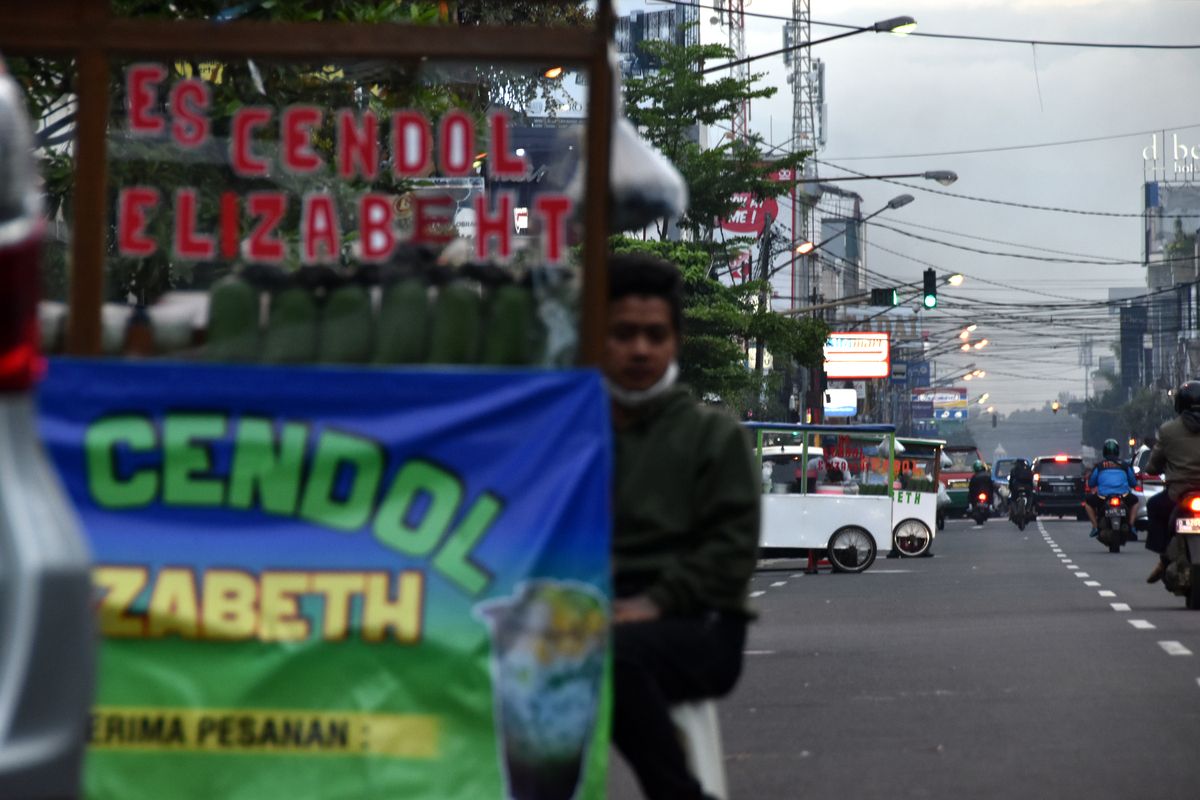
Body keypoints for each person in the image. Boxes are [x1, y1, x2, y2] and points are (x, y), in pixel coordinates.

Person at [603, 253, 761, 800]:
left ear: (675, 340)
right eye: (623, 334)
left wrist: (656, 603)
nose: (640, 349)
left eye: (654, 334)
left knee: (608, 661)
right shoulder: (574, 431)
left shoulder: (712, 436)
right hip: (593, 613)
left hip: (701, 625)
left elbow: (733, 551)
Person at [1144, 381, 1200, 583]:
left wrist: (1155, 469)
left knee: (1154, 506)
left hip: (1178, 494)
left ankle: (1163, 558)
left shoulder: (1168, 430)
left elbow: (1153, 465)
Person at [1084, 439, 1139, 538]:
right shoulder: (1125, 465)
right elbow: (1133, 482)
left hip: (1103, 497)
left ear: (1104, 451)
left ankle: (1095, 527)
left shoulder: (1099, 466)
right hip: (1124, 496)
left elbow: (1091, 483)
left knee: (1088, 504)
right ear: (1118, 451)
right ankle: (1131, 526)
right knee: (1135, 502)